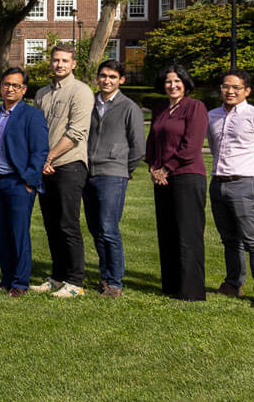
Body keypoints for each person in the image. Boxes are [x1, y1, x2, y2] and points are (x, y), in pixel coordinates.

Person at [207, 70, 254, 309]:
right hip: (218, 184)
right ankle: (232, 283)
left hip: (246, 184)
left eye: (236, 88)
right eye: (226, 86)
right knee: (229, 240)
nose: (230, 91)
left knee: (253, 240)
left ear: (247, 91)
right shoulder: (212, 116)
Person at [31, 43, 93, 298]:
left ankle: (75, 281)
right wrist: (40, 160)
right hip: (46, 168)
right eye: (56, 60)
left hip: (70, 165)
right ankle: (57, 276)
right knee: (51, 224)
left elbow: (76, 133)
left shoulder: (81, 92)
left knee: (68, 224)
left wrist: (50, 156)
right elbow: (35, 130)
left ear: (73, 64)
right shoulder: (42, 93)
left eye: (65, 61)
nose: (59, 65)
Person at [145, 63, 209, 302]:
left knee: (188, 233)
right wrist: (153, 166)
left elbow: (191, 146)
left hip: (187, 176)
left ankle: (191, 290)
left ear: (185, 83)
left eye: (177, 81)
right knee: (167, 231)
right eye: (168, 81)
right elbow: (152, 139)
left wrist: (166, 168)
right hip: (162, 178)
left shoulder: (195, 107)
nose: (172, 85)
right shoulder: (160, 108)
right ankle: (170, 285)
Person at [82, 60, 145, 298]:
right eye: (103, 76)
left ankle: (115, 282)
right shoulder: (89, 104)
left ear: (121, 80)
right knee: (96, 228)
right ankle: (104, 275)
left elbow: (138, 146)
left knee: (109, 228)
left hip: (113, 174)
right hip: (88, 172)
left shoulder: (129, 107)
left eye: (112, 77)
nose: (107, 80)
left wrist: (124, 169)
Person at [0, 67, 49, 297]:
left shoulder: (32, 115)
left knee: (18, 232)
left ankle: (20, 282)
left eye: (15, 85)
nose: (10, 89)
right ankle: (6, 277)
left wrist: (30, 181)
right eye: (6, 84)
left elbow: (40, 151)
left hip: (19, 183)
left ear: (24, 90)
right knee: (2, 232)